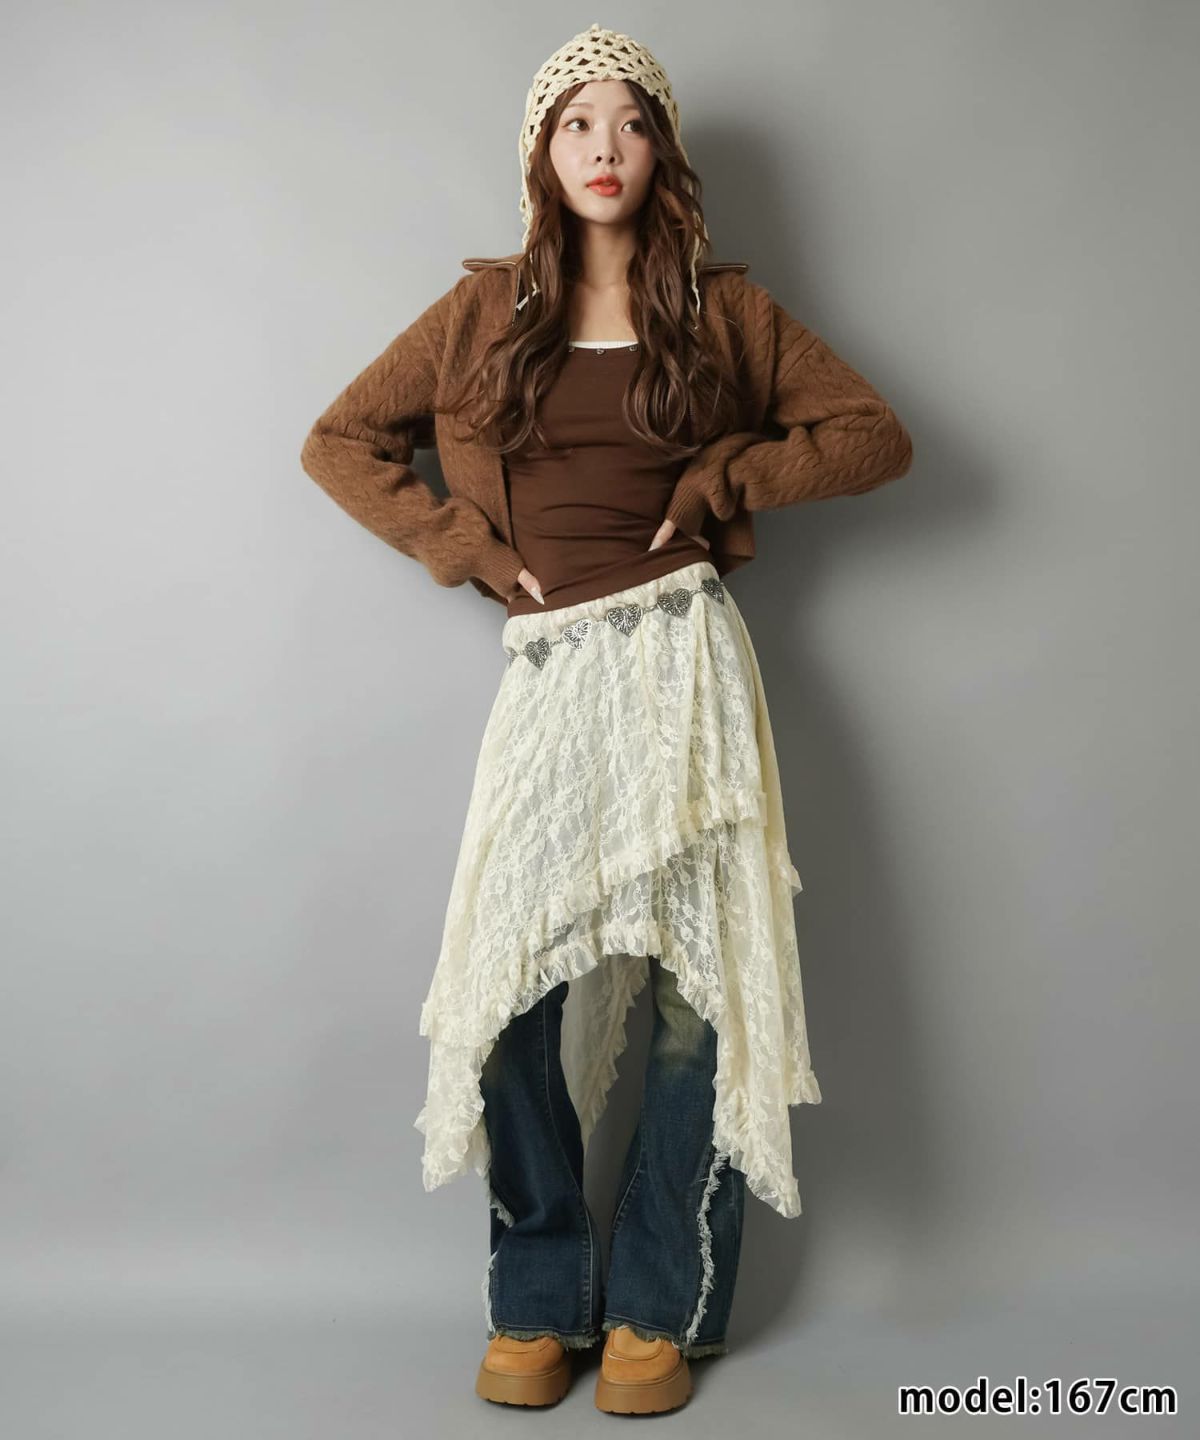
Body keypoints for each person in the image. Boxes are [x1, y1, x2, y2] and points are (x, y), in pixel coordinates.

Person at [299, 21, 913, 1416]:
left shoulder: (723, 310)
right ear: (541, 153)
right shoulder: (483, 310)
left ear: (662, 153)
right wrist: (458, 542)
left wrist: (726, 479)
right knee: (513, 987)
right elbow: (341, 438)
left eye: (631, 122)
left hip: (687, 665)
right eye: (576, 122)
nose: (604, 147)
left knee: (699, 1001)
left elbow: (873, 434)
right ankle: (538, 1295)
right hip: (553, 676)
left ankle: (655, 1305)